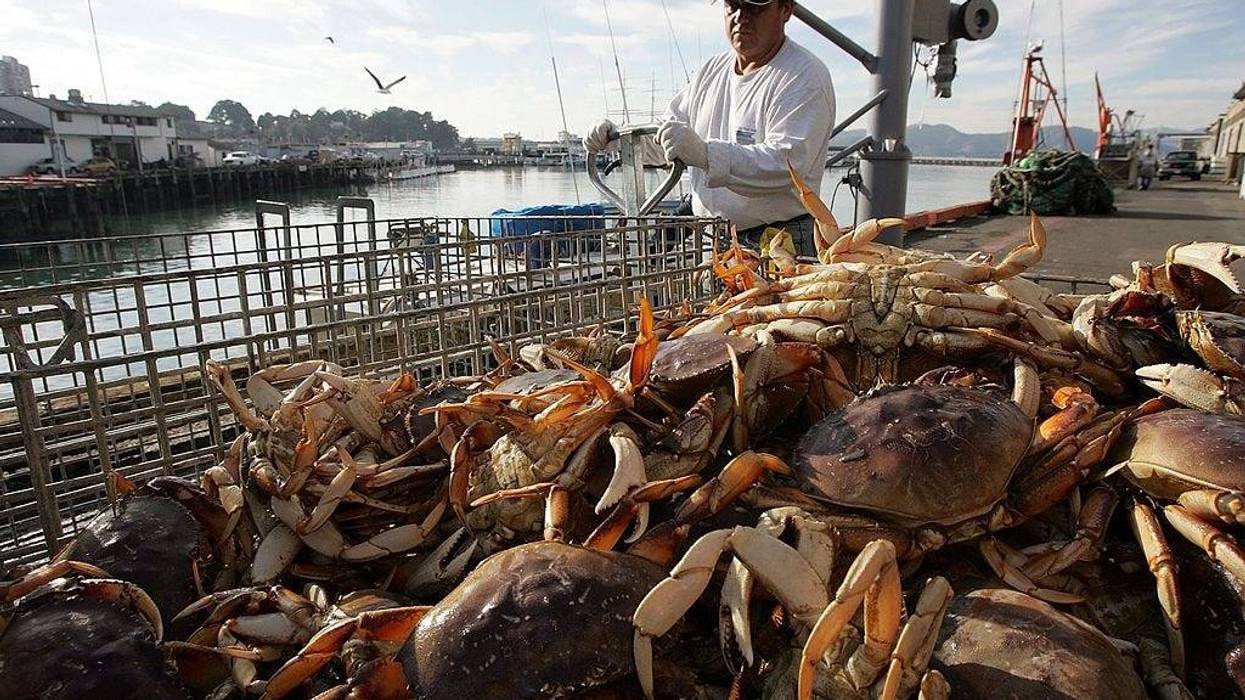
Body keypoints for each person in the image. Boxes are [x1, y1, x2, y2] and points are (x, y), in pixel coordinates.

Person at [584, 0, 835, 257]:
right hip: (713, 241)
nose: (741, 17)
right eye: (732, 6)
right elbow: (668, 141)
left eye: (754, 7)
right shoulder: (710, 72)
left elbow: (789, 165)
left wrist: (705, 154)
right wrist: (621, 140)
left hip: (780, 244)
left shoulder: (804, 76)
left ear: (786, 9)